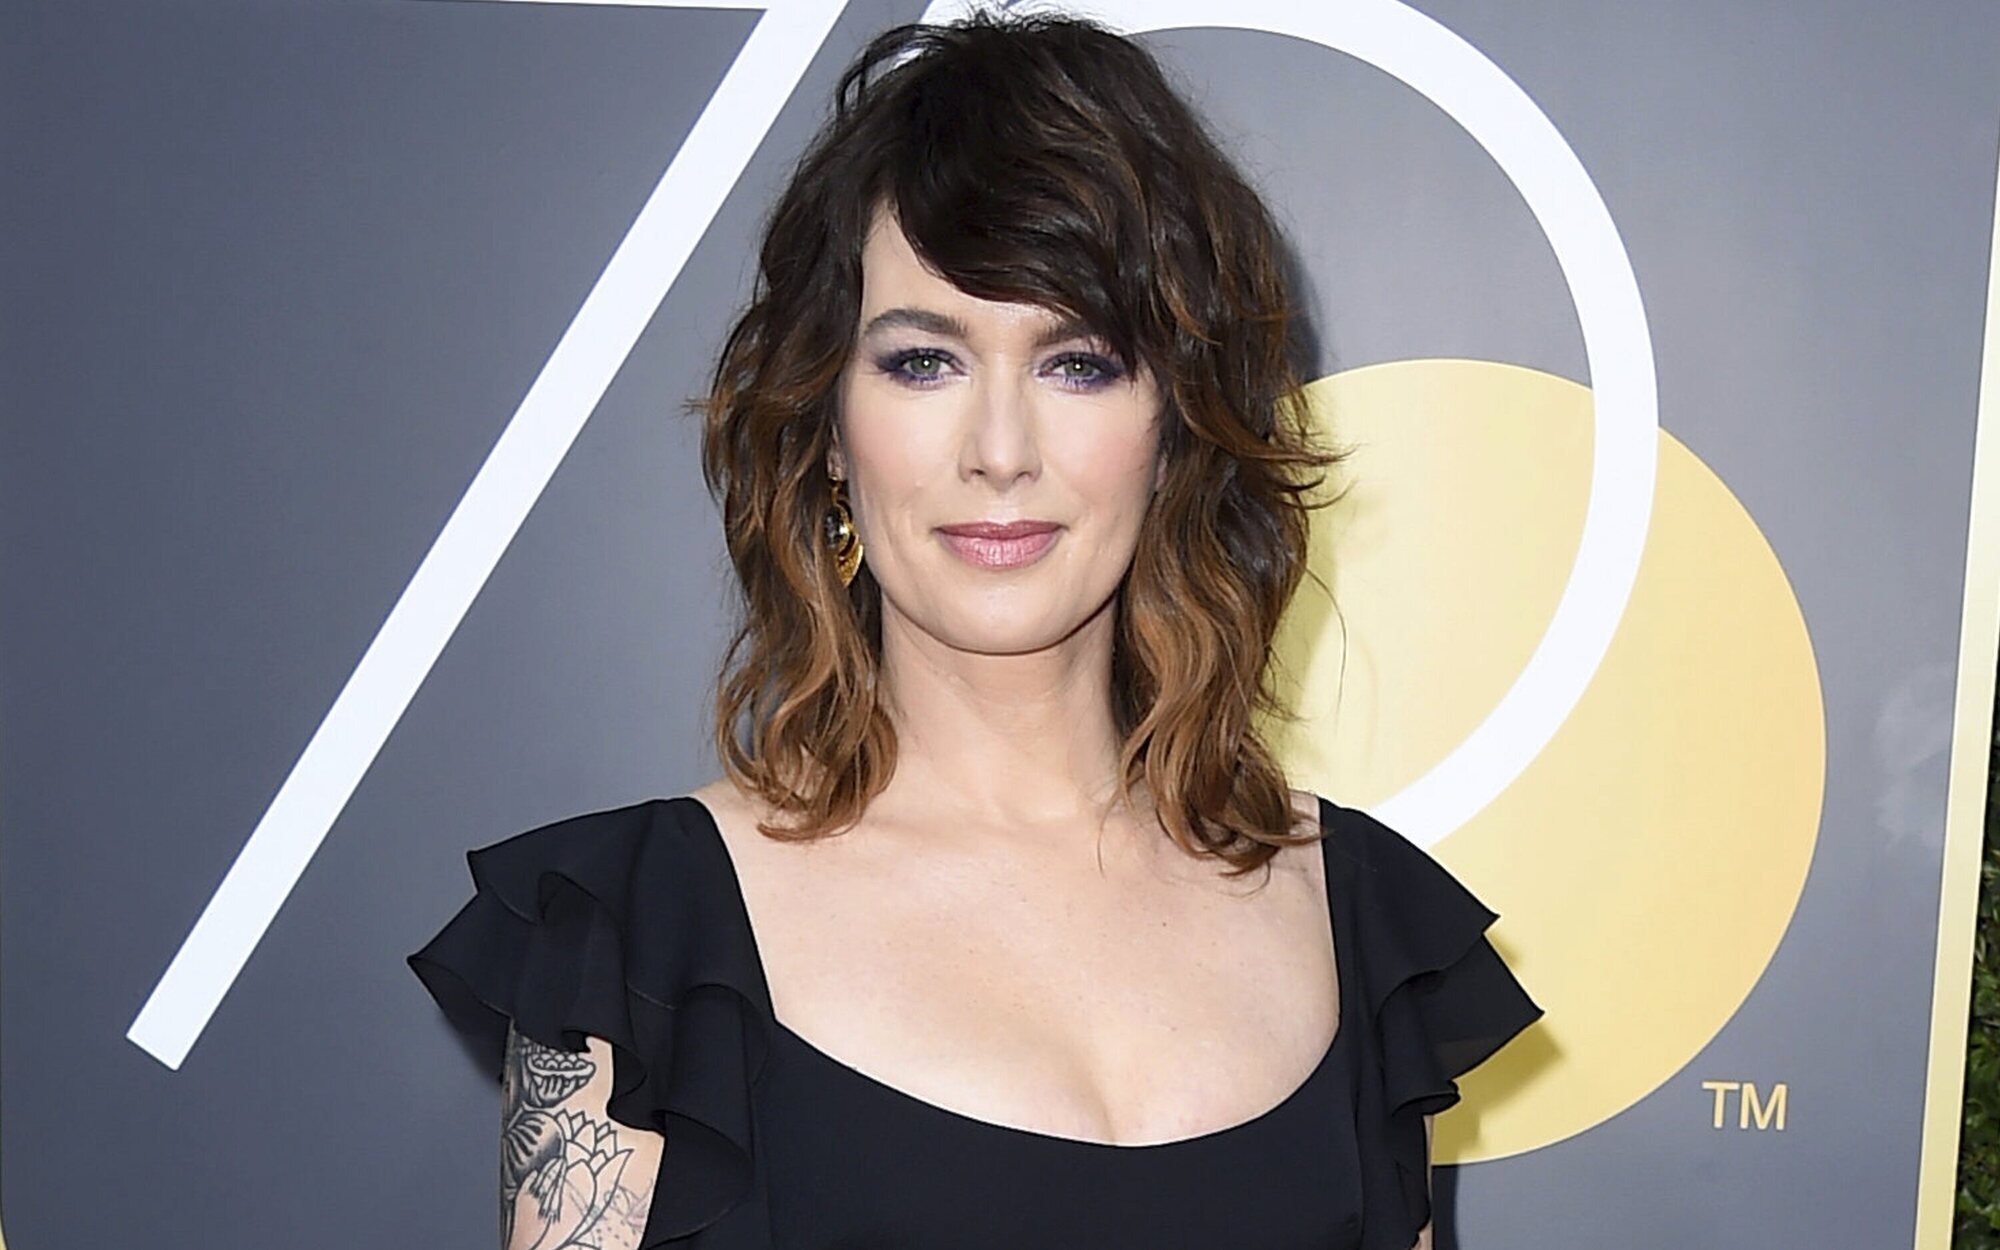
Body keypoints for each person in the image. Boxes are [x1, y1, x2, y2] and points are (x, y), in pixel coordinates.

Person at [407, 9, 1543, 1249]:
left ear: (1174, 431)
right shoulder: (640, 939)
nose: (1000, 451)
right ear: (826, 429)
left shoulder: (1351, 915)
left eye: (1078, 362)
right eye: (922, 362)